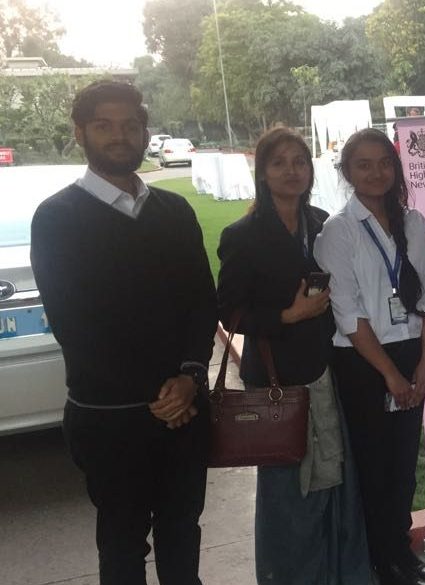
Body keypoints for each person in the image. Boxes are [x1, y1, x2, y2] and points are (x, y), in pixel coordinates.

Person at [30, 80, 216, 584]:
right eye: (104, 125)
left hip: (186, 407)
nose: (119, 136)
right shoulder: (57, 219)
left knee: (183, 534)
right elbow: (76, 324)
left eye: (130, 125)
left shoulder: (174, 212)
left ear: (144, 132)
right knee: (122, 545)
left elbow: (202, 300)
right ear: (80, 133)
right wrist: (161, 398)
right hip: (110, 419)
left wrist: (189, 379)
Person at [216, 127, 371, 585]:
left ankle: (339, 571)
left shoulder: (323, 222)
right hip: (278, 378)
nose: (291, 171)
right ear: (263, 172)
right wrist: (288, 314)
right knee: (290, 489)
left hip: (329, 369)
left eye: (299, 162)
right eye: (279, 162)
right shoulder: (242, 234)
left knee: (336, 479)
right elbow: (229, 310)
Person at [314, 128, 425, 585]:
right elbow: (349, 315)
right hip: (364, 363)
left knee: (405, 461)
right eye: (363, 164)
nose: (375, 172)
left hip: (410, 354)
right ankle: (380, 559)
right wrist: (390, 375)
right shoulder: (337, 232)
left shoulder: (414, 223)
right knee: (374, 465)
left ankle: (399, 548)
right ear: (347, 172)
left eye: (384, 162)